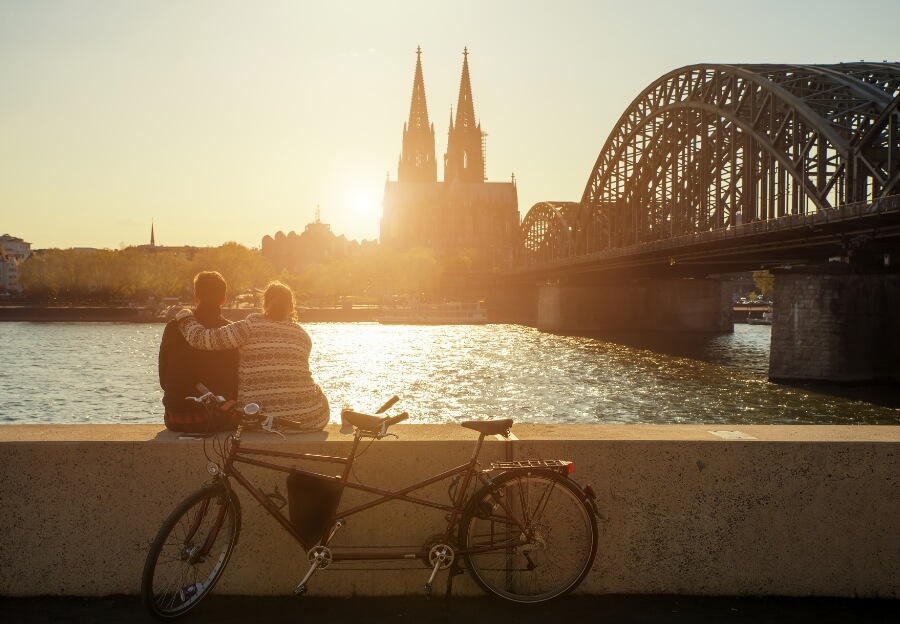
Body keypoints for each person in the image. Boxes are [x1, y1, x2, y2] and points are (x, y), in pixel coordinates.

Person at [175, 281, 330, 431]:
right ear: (290, 307)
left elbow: (202, 339)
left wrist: (185, 316)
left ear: (264, 304)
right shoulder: (302, 336)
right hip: (310, 418)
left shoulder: (249, 327)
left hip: (259, 419)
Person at [159, 271, 240, 432]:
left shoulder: (173, 327)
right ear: (224, 299)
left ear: (196, 297)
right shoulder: (229, 332)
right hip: (217, 417)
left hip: (175, 417)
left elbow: (163, 379)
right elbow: (236, 381)